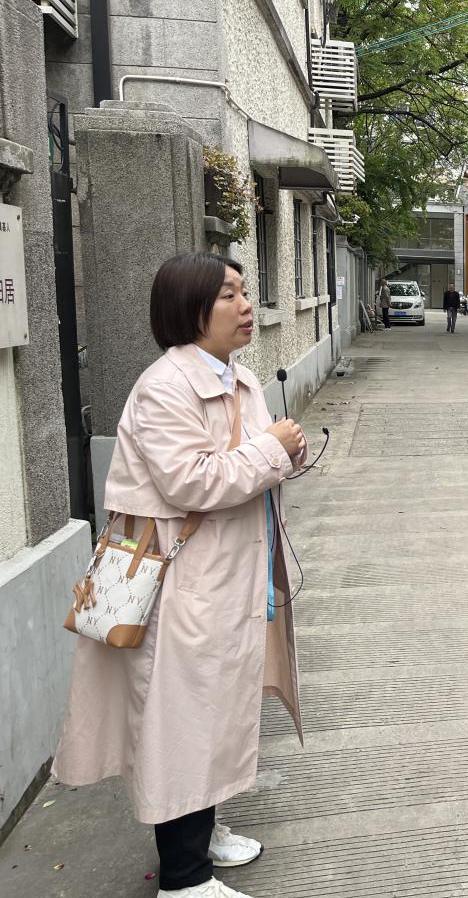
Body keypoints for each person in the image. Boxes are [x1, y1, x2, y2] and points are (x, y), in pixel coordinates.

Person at [53, 254, 308, 898]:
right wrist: (272, 449)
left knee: (217, 711)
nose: (246, 306)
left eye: (245, 292)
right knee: (182, 720)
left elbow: (252, 465)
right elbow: (190, 480)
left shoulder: (240, 379)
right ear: (191, 309)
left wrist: (285, 452)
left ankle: (206, 831)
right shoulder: (164, 387)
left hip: (230, 574)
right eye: (229, 295)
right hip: (182, 581)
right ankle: (184, 876)